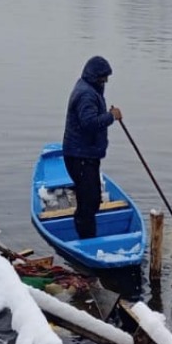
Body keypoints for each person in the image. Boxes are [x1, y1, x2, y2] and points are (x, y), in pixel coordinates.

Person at [62, 55, 122, 239]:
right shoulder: (87, 94)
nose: (106, 81)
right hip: (80, 156)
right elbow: (88, 123)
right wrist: (111, 116)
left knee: (93, 198)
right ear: (95, 76)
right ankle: (86, 239)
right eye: (104, 77)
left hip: (86, 154)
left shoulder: (89, 89)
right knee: (88, 203)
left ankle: (87, 234)